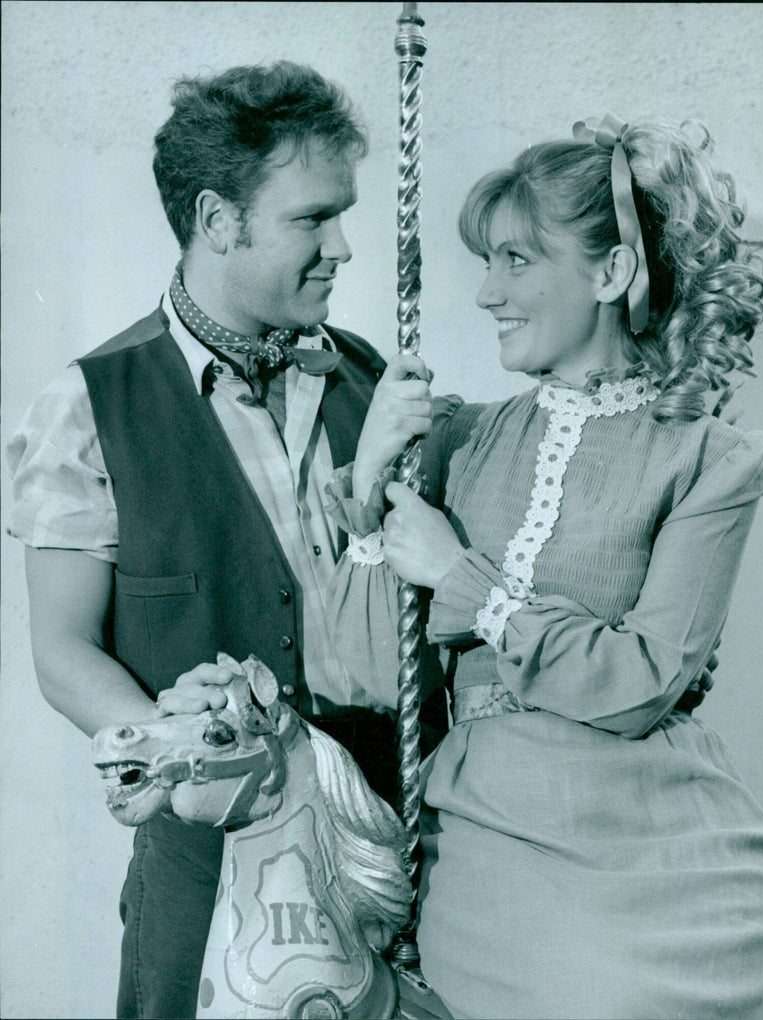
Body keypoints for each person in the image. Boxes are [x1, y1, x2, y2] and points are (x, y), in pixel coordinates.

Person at [325, 114, 763, 1019]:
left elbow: (645, 680)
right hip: (496, 843)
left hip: (667, 856)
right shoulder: (458, 440)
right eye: (485, 263)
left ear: (612, 274)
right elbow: (367, 670)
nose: (487, 292)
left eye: (516, 261)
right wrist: (375, 474)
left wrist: (467, 582)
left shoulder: (713, 460)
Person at [6, 62, 444, 1020]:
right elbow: (61, 650)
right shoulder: (89, 405)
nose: (343, 248)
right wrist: (176, 740)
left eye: (345, 215)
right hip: (206, 884)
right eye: (312, 219)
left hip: (405, 856)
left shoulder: (371, 383)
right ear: (217, 219)